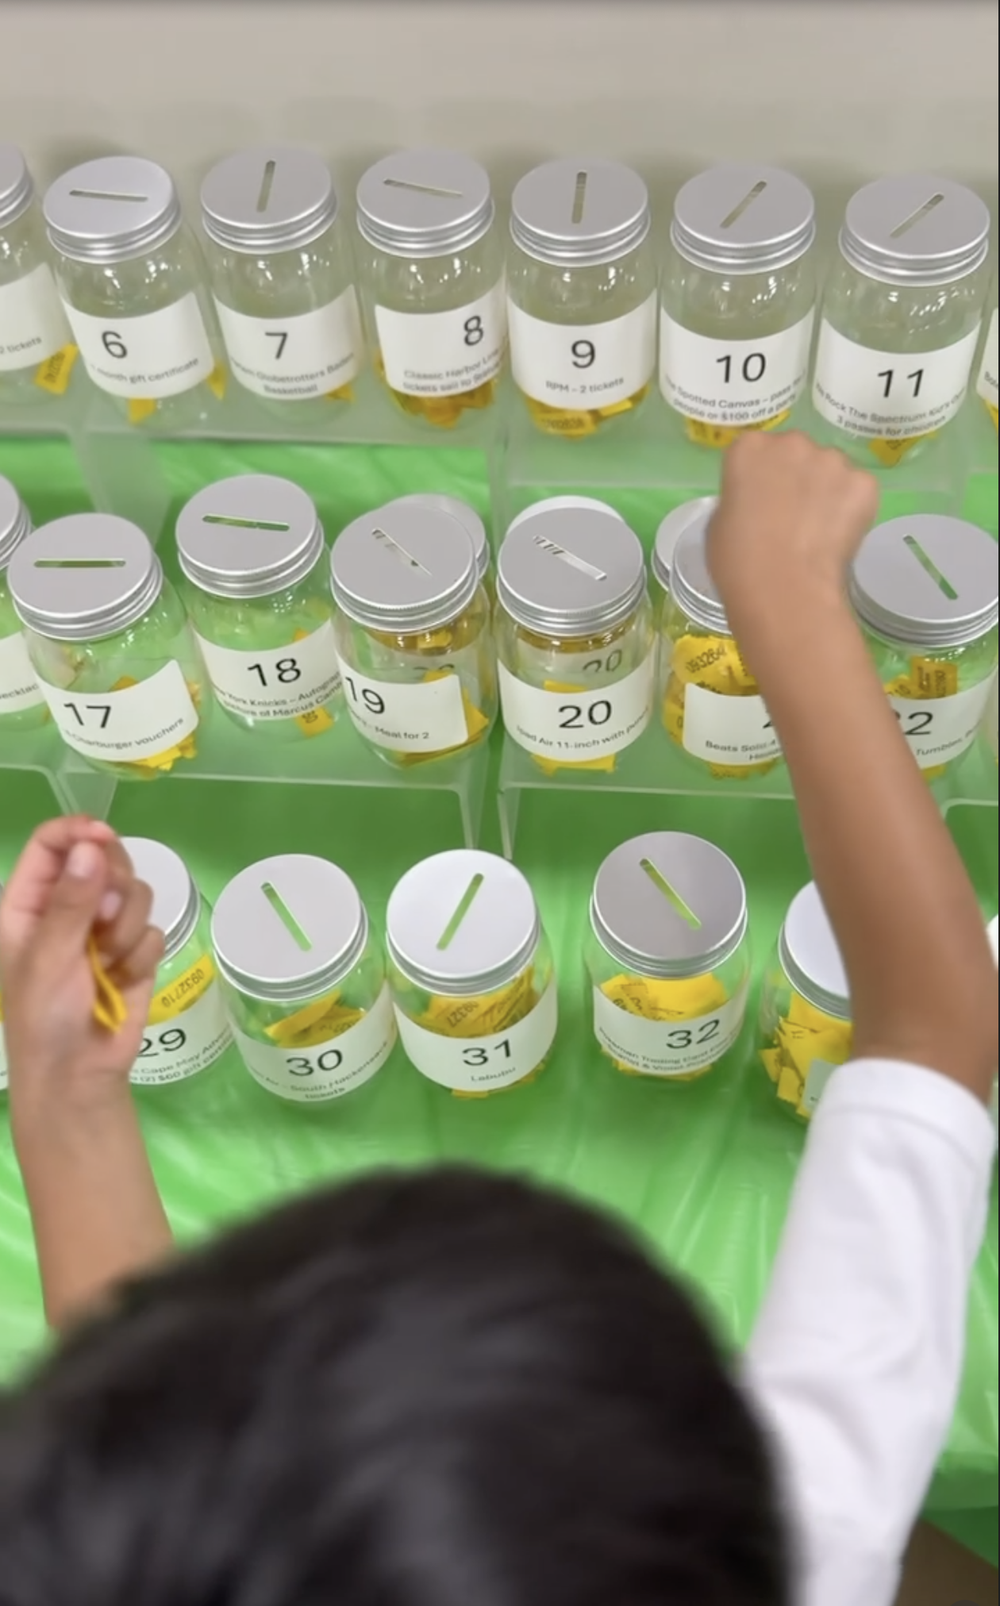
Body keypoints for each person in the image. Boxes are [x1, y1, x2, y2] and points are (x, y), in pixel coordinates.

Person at [0, 434, 996, 1606]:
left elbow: (148, 1442)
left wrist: (65, 1096)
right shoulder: (807, 1529)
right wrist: (790, 603)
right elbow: (934, 1018)